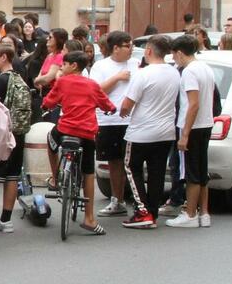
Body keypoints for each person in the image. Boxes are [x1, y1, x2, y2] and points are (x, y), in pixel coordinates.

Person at [42, 51, 114, 235]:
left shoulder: (62, 82)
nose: (62, 67)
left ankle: (55, 178)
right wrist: (111, 109)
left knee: (50, 141)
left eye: (64, 64)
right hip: (87, 133)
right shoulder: (93, 85)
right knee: (88, 172)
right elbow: (106, 104)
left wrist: (45, 105)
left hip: (65, 130)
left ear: (73, 65)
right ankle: (89, 218)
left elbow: (49, 101)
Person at [118, 35, 181, 229]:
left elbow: (127, 103)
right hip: (165, 131)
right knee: (157, 173)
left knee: (131, 168)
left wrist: (123, 112)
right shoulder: (174, 73)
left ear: (149, 51)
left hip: (141, 131)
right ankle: (152, 212)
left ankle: (142, 211)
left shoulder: (143, 74)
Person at [167, 35, 215, 229]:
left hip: (192, 126)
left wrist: (185, 134)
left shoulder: (189, 72)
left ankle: (190, 213)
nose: (174, 58)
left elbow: (193, 104)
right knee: (202, 171)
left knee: (191, 172)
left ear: (179, 53)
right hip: (205, 124)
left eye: (174, 54)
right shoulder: (206, 68)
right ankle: (204, 213)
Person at [88, 31, 135, 215]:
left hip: (133, 120)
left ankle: (138, 202)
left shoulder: (136, 64)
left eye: (131, 45)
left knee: (132, 163)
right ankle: (117, 200)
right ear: (115, 48)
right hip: (109, 120)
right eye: (127, 45)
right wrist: (117, 78)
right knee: (114, 162)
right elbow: (96, 91)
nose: (131, 49)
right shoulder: (100, 66)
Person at [0, 43, 32, 233]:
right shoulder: (19, 78)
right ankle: (6, 220)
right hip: (18, 132)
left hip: (1, 134)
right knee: (12, 176)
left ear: (4, 57)